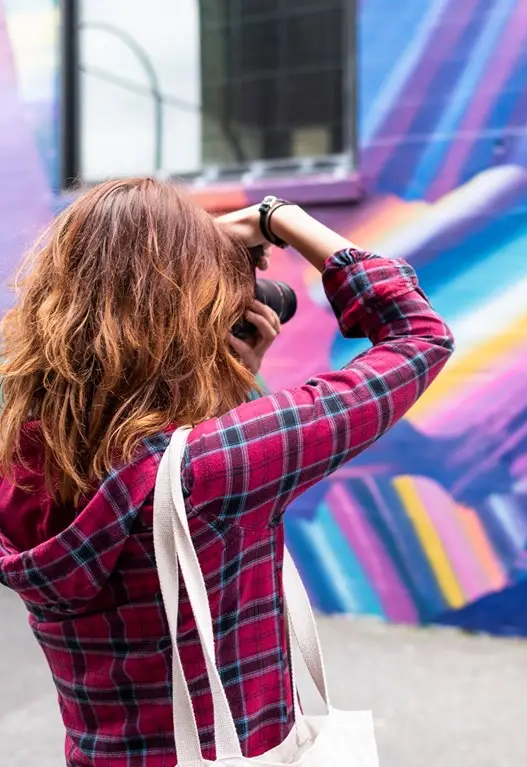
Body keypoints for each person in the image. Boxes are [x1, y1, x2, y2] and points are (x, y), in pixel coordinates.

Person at [0, 178, 454, 766]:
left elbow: (140, 466)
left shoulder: (24, 453)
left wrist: (225, 374)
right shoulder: (214, 467)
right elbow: (418, 335)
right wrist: (278, 217)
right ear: (187, 314)